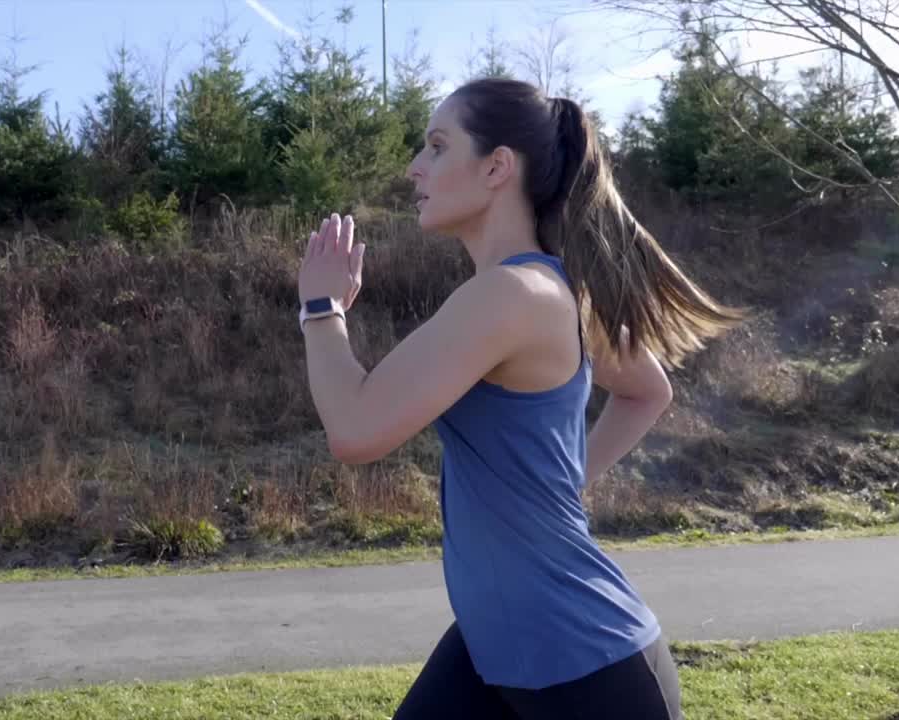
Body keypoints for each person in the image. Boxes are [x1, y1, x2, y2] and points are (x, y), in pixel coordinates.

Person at [295, 77, 742, 719]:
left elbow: (355, 428)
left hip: (590, 671)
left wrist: (320, 306)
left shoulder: (510, 297)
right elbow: (649, 391)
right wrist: (561, 488)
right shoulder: (548, 290)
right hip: (498, 645)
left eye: (438, 147)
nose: (413, 167)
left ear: (498, 167)